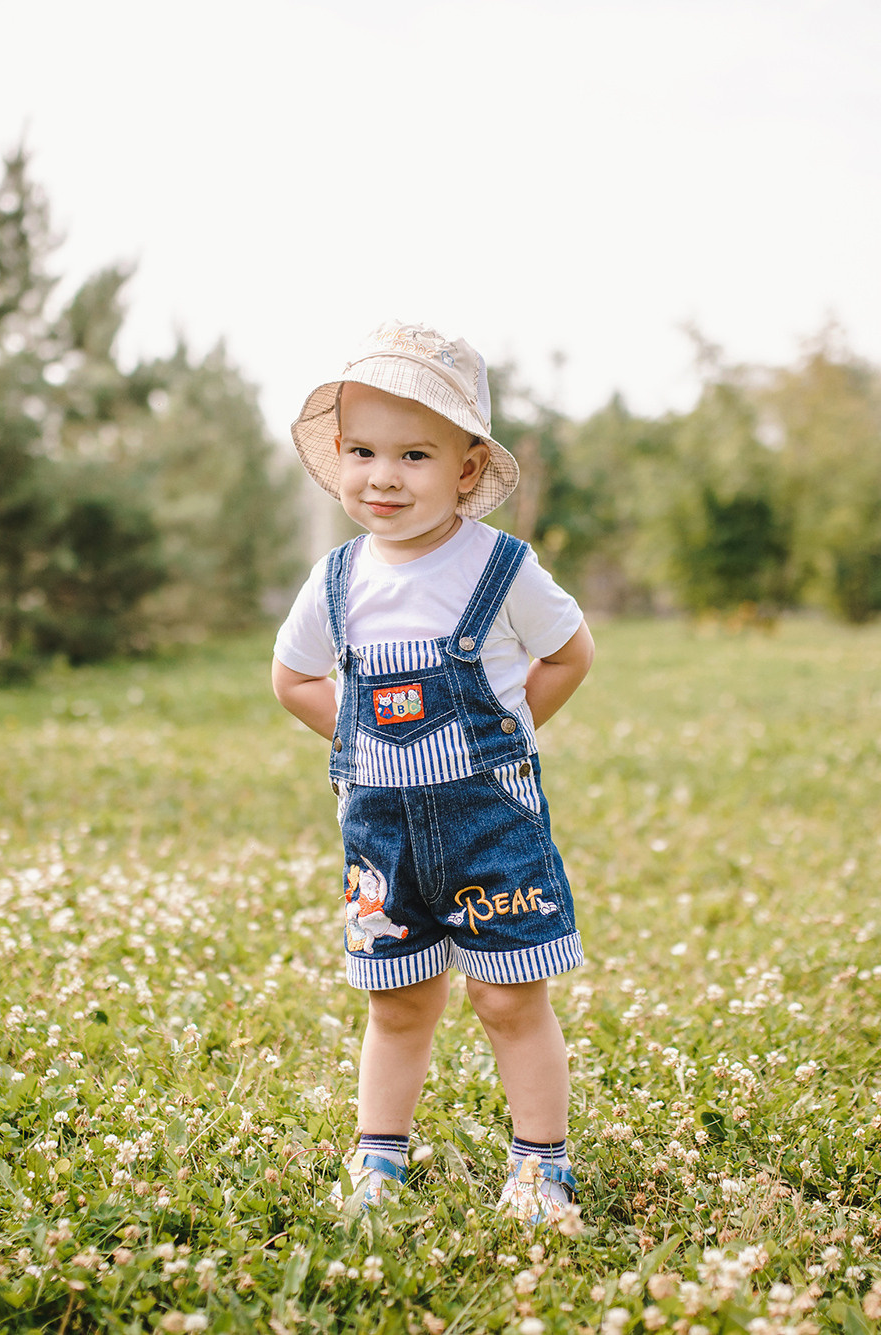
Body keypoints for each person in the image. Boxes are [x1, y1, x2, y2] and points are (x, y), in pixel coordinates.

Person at [271, 321, 595, 1226]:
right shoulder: (334, 580)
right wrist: (360, 743)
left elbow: (572, 655)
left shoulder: (500, 565)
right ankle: (380, 1157)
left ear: (464, 468)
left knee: (506, 996)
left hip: (490, 816)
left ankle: (540, 1166)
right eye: (365, 451)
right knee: (399, 999)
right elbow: (292, 676)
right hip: (382, 835)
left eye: (415, 453)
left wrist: (509, 730)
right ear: (338, 458)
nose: (385, 476)